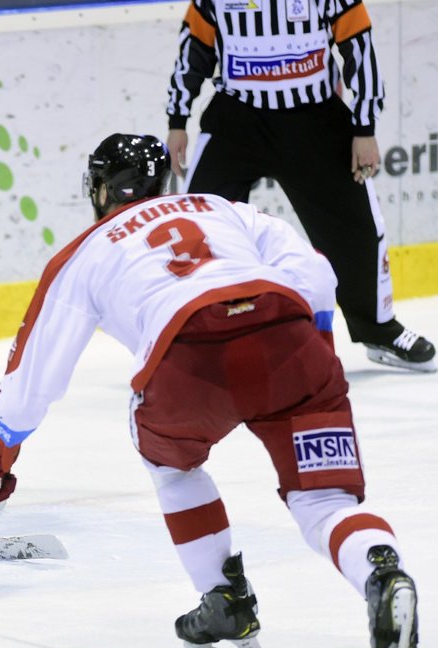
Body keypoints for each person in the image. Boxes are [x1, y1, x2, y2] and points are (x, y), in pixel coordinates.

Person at [0, 133, 418, 648]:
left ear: (100, 190)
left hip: (191, 358)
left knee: (173, 466)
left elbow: (37, 372)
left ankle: (224, 599)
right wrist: (314, 353)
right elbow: (317, 272)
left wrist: (0, 445)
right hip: (288, 340)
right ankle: (381, 569)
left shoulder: (86, 250)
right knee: (323, 501)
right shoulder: (223, 207)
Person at [165, 0, 435, 373]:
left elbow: (359, 47)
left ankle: (377, 329)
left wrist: (364, 128)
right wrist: (177, 119)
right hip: (237, 119)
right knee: (197, 226)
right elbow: (194, 49)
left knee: (356, 226)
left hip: (315, 119)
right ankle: (185, 335)